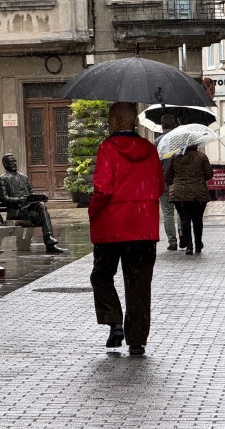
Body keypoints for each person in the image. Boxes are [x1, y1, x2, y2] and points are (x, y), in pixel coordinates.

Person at [89, 102, 164, 356]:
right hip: (143, 227)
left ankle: (114, 321)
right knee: (139, 284)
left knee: (101, 275)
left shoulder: (107, 149)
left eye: (111, 118)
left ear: (116, 120)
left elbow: (103, 188)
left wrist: (93, 211)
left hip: (111, 226)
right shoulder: (149, 149)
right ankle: (137, 340)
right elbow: (159, 186)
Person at [0, 153, 64, 253]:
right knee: (44, 216)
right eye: (11, 162)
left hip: (28, 210)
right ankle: (49, 243)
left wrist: (38, 198)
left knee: (41, 205)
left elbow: (31, 193)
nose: (14, 163)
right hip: (16, 212)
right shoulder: (3, 179)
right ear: (5, 164)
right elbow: (4, 198)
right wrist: (18, 200)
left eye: (15, 161)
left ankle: (49, 239)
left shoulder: (24, 177)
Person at [166, 144, 213, 255]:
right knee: (197, 219)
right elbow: (209, 174)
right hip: (198, 193)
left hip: (179, 194)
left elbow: (168, 175)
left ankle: (189, 246)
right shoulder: (202, 156)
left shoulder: (175, 157)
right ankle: (198, 244)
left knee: (184, 219)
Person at [154, 114, 180, 251]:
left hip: (163, 181)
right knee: (181, 210)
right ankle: (183, 234)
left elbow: (154, 164)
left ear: (162, 126)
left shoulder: (157, 142)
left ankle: (172, 241)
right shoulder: (180, 141)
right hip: (179, 181)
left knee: (167, 212)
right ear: (174, 125)